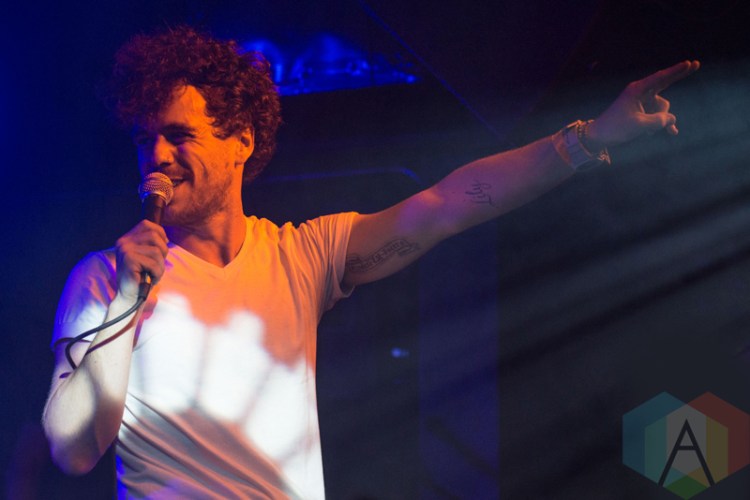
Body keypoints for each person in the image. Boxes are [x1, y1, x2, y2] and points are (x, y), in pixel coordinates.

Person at [41, 25, 699, 499]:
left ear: (240, 141)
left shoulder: (301, 254)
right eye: (144, 139)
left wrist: (588, 140)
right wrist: (125, 299)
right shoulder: (104, 277)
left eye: (178, 135)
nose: (156, 156)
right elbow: (72, 450)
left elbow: (446, 206)